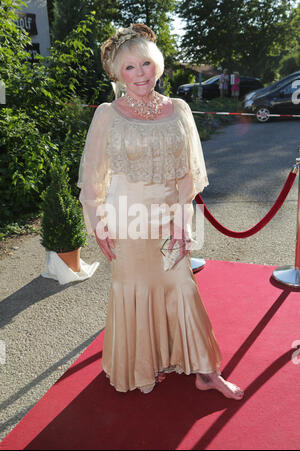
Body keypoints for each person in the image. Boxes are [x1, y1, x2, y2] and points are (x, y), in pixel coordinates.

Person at [77, 24, 243, 399]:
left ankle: (206, 371)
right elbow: (92, 177)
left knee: (181, 286)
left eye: (147, 64)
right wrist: (99, 226)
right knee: (135, 289)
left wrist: (185, 223)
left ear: (158, 65)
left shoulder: (178, 109)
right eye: (131, 67)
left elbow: (187, 176)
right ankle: (142, 364)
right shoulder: (107, 114)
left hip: (170, 219)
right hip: (127, 222)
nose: (141, 74)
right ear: (119, 73)